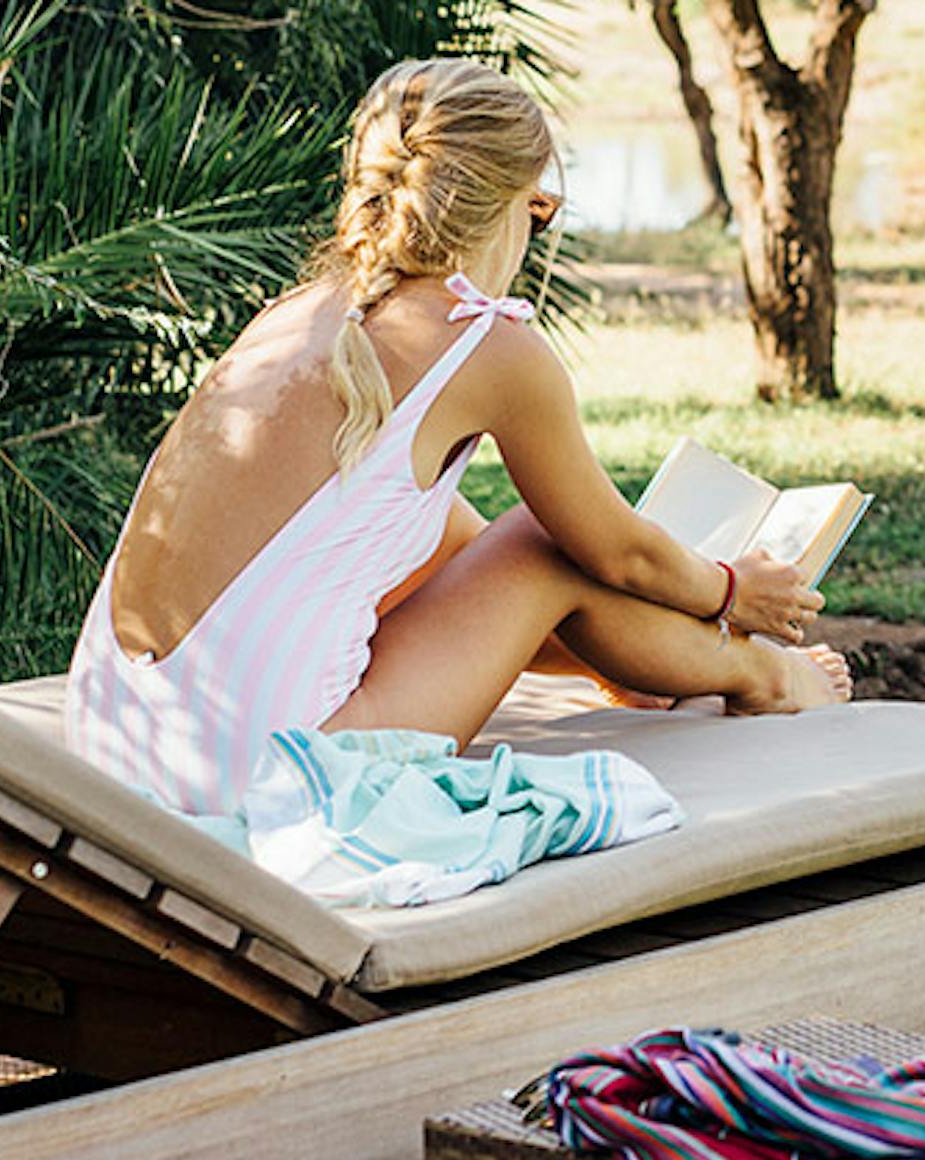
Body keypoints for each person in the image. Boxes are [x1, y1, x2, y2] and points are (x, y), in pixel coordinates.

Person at [64, 60, 847, 820]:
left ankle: (648, 673)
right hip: (267, 776)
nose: (536, 233)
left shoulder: (298, 317)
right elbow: (615, 553)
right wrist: (736, 592)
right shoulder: (488, 345)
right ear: (505, 203)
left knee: (475, 538)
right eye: (539, 210)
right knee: (545, 542)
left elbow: (443, 546)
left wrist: (624, 654)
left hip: (120, 741)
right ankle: (765, 680)